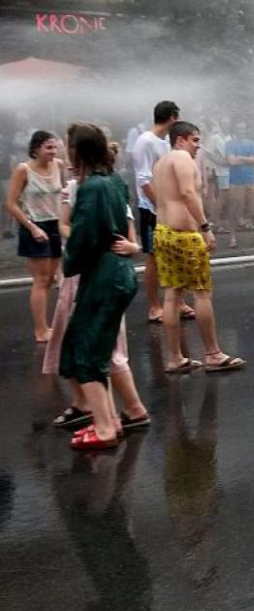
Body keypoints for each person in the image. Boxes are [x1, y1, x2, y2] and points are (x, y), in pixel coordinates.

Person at [45, 137, 150, 434]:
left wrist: (75, 259)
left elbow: (102, 232)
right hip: (102, 272)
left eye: (69, 147)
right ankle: (113, 412)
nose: (65, 152)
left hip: (98, 273)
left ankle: (107, 420)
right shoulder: (103, 184)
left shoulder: (95, 187)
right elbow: (69, 225)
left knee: (93, 348)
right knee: (95, 345)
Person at [152, 121, 245, 374]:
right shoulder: (182, 158)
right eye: (194, 140)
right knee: (201, 293)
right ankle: (212, 354)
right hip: (184, 235)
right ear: (180, 140)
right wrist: (206, 227)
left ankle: (174, 358)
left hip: (163, 232)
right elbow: (188, 193)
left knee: (172, 295)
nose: (198, 145)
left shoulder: (161, 164)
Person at [134, 100, 193, 323]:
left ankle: (179, 301)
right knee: (154, 257)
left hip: (171, 206)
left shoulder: (168, 143)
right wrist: (161, 206)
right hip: (152, 207)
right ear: (172, 117)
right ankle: (154, 306)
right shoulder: (145, 141)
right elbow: (143, 179)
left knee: (177, 252)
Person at [5, 130, 65, 342]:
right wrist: (31, 227)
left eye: (55, 147)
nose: (53, 151)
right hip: (35, 224)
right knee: (40, 279)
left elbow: (63, 192)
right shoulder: (24, 170)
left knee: (51, 278)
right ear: (36, 149)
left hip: (54, 223)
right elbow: (10, 203)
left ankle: (49, 324)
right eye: (48, 147)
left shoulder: (58, 165)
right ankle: (40, 329)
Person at [224, 121, 254, 248]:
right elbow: (231, 161)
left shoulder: (251, 143)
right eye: (238, 129)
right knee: (234, 211)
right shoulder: (230, 144)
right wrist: (249, 159)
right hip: (235, 182)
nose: (241, 131)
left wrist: (241, 158)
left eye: (243, 129)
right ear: (235, 130)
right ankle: (233, 238)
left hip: (251, 180)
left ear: (246, 130)